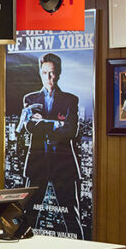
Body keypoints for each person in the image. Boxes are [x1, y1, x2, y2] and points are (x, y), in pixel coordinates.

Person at [17, 52, 83, 237]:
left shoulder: (70, 100)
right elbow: (30, 127)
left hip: (64, 164)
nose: (49, 77)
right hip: (38, 163)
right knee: (28, 215)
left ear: (59, 73)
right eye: (45, 72)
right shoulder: (30, 99)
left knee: (71, 216)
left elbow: (71, 131)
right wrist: (56, 124)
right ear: (40, 73)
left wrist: (44, 122)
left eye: (52, 73)